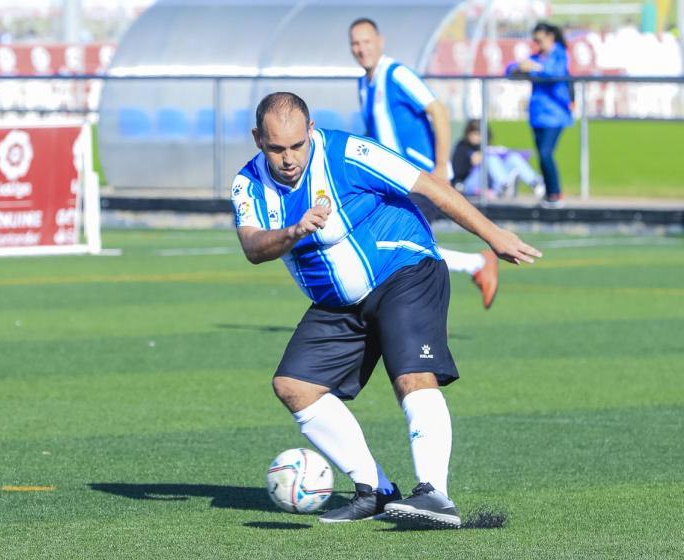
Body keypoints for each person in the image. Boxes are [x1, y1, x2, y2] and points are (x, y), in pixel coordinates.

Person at [230, 92, 540, 527]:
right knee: (293, 386)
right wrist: (294, 231)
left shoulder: (348, 153)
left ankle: (435, 493)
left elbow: (428, 185)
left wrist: (493, 236)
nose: (288, 158)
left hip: (403, 270)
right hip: (339, 303)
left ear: (311, 131)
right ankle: (375, 489)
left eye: (297, 145)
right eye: (277, 148)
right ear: (258, 139)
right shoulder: (247, 184)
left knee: (411, 376)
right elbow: (252, 246)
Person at [349, 17, 501, 309]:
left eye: (366, 41)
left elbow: (438, 110)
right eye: (355, 43)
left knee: (398, 241)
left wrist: (441, 165)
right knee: (395, 244)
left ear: (380, 41)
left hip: (421, 178)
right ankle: (474, 265)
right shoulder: (363, 84)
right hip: (393, 182)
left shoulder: (396, 74)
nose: (361, 48)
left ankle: (468, 272)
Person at [507, 22, 574, 209]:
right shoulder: (537, 57)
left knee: (546, 153)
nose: (537, 43)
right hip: (537, 114)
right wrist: (519, 67)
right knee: (541, 154)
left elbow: (554, 73)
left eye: (540, 39)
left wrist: (534, 68)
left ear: (550, 36)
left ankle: (556, 193)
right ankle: (549, 194)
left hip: (555, 114)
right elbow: (511, 69)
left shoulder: (559, 55)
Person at [451, 120, 545, 199]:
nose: (477, 137)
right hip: (468, 183)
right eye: (474, 134)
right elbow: (459, 171)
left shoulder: (484, 146)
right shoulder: (462, 147)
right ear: (468, 133)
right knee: (489, 158)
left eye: (480, 134)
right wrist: (473, 160)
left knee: (513, 157)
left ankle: (535, 182)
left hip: (488, 181)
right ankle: (504, 186)